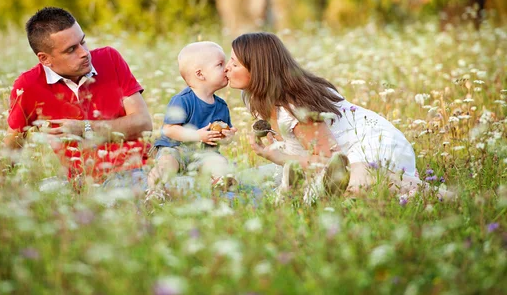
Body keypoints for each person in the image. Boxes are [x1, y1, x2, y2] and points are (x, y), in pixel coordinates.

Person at [225, 32, 422, 198]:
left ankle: (414, 186)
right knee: (242, 182)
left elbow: (327, 160)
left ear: (258, 70)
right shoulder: (253, 96)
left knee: (348, 192)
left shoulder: (294, 108)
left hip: (374, 147)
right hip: (338, 155)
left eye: (234, 65)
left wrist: (279, 157)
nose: (227, 68)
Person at [5, 7, 152, 184]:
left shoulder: (109, 58)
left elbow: (143, 124)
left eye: (83, 42)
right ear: (45, 59)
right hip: (92, 183)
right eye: (71, 50)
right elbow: (10, 153)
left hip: (143, 167)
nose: (84, 53)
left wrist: (84, 129)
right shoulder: (28, 86)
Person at [147, 41, 237, 200]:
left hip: (204, 155)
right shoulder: (182, 100)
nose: (227, 68)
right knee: (166, 164)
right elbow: (169, 129)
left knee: (219, 162)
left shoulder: (221, 106)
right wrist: (196, 136)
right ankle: (155, 192)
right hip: (176, 150)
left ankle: (219, 182)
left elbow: (220, 138)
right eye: (220, 64)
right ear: (200, 74)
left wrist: (227, 138)